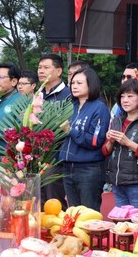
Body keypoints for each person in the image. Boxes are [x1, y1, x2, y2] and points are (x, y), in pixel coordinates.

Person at [59, 68, 110, 211]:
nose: (74, 86)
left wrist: (71, 130)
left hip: (89, 168)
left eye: (79, 83)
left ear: (91, 84)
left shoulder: (99, 108)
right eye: (73, 82)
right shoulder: (71, 106)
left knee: (88, 214)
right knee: (74, 213)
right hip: (68, 166)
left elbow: (94, 141)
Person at [102, 79, 138, 213]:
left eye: (130, 96)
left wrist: (128, 143)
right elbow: (104, 151)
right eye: (122, 96)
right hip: (117, 181)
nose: (125, 100)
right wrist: (110, 141)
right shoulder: (116, 120)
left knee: (137, 221)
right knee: (121, 223)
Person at [37, 54, 71, 209]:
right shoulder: (38, 95)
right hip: (38, 156)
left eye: (46, 67)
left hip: (57, 157)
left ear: (58, 71)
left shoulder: (69, 95)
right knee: (39, 201)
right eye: (39, 67)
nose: (41, 71)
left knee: (54, 203)